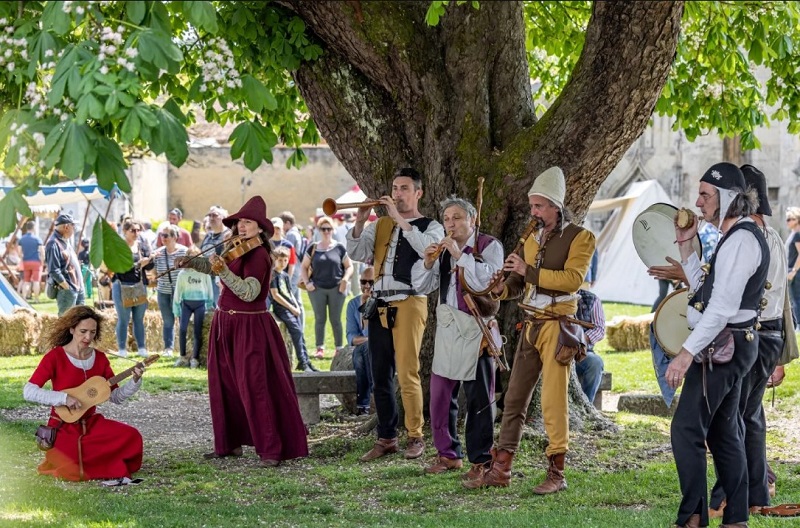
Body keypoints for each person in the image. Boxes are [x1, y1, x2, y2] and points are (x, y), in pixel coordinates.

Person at [466, 166, 596, 494]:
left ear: (555, 206)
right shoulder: (531, 237)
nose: (533, 212)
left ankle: (557, 472)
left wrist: (527, 271)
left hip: (558, 326)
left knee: (553, 400)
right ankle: (501, 468)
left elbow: (572, 280)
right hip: (531, 324)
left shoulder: (581, 237)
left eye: (539, 206)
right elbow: (519, 282)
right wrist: (501, 288)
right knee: (514, 399)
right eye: (532, 206)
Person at [665, 162, 768, 528]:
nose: (698, 202)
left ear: (727, 199)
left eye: (706, 195)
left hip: (725, 349)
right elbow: (702, 293)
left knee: (686, 429)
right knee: (724, 433)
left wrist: (686, 354)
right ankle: (736, 519)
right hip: (731, 346)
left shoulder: (740, 239)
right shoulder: (732, 237)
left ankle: (692, 517)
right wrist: (686, 244)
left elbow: (722, 308)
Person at [176, 196, 308, 466]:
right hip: (225, 323)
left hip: (249, 326)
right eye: (240, 222)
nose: (243, 226)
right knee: (223, 384)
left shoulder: (259, 255)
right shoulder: (235, 247)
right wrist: (191, 262)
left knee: (255, 387)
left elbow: (249, 292)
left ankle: (271, 449)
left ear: (260, 228)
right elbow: (216, 270)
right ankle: (229, 443)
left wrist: (223, 271)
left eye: (249, 222)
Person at [347, 167, 444, 462]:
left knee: (407, 371)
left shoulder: (431, 226)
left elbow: (427, 249)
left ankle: (415, 435)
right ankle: (386, 437)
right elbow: (357, 253)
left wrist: (400, 219)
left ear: (418, 193)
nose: (398, 193)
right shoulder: (381, 226)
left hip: (410, 301)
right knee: (380, 373)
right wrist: (360, 221)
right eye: (395, 187)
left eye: (403, 188)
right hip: (379, 303)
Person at [707, 164, 788, 517]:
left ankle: (725, 494)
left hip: (755, 332)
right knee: (749, 416)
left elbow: (754, 297)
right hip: (767, 334)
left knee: (733, 416)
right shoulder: (768, 236)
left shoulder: (754, 238)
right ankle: (757, 493)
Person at [411, 196, 503, 480]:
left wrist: (460, 255)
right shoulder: (443, 250)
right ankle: (448, 454)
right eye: (447, 219)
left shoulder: (490, 246)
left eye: (457, 218)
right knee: (439, 395)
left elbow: (486, 283)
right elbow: (422, 286)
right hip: (449, 328)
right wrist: (427, 263)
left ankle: (482, 460)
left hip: (476, 328)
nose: (451, 223)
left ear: (472, 220)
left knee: (478, 398)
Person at [23, 306, 145, 481]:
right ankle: (102, 464)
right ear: (72, 329)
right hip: (63, 426)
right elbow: (29, 391)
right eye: (83, 331)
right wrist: (63, 398)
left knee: (131, 436)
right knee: (71, 463)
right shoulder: (55, 357)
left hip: (91, 424)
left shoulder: (100, 359)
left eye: (92, 332)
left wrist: (135, 381)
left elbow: (116, 397)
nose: (88, 337)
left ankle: (100, 462)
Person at [301, 215, 354, 359]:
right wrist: (307, 283)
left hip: (337, 289)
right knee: (320, 318)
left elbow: (349, 267)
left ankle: (339, 348)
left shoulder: (339, 248)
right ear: (319, 230)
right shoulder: (313, 247)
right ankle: (320, 348)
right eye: (323, 229)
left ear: (333, 229)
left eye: (329, 228)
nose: (326, 231)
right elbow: (304, 267)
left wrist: (345, 280)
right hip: (317, 289)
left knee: (336, 319)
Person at [269, 245, 317, 372]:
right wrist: (291, 307)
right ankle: (302, 361)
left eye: (285, 260)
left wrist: (296, 306)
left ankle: (306, 361)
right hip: (282, 308)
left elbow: (290, 293)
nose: (283, 263)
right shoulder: (272, 275)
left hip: (291, 307)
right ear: (274, 259)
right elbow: (275, 295)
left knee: (300, 332)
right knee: (296, 331)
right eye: (280, 260)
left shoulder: (285, 275)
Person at [111, 220, 154, 358]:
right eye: (133, 230)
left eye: (138, 230)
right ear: (125, 231)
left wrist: (151, 259)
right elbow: (119, 267)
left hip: (139, 286)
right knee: (123, 318)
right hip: (121, 285)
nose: (136, 233)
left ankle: (141, 347)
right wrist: (137, 264)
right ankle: (122, 348)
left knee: (139, 318)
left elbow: (149, 267)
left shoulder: (142, 246)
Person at [172, 247, 214, 368]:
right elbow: (178, 291)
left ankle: (194, 358)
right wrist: (176, 307)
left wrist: (210, 303)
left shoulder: (204, 273)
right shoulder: (182, 274)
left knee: (197, 331)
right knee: (183, 329)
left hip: (200, 304)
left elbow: (209, 288)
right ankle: (182, 356)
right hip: (186, 304)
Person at [153, 224, 188, 357]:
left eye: (166, 235)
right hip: (163, 291)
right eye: (162, 235)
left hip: (181, 292)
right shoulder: (159, 253)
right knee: (168, 321)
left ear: (175, 237)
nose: (163, 238)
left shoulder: (184, 252)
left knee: (183, 320)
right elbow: (154, 271)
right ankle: (168, 348)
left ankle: (183, 349)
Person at [345, 266, 375, 415]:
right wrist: (364, 306)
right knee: (362, 350)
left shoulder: (384, 301)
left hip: (385, 349)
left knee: (361, 352)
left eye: (371, 282)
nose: (367, 286)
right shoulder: (352, 305)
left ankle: (363, 404)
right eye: (364, 282)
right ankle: (373, 395)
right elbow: (352, 337)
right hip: (367, 348)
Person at [45, 213, 85, 315]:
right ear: (66, 227)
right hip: (67, 291)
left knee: (79, 324)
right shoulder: (53, 243)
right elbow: (54, 270)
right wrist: (67, 287)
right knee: (65, 324)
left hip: (75, 288)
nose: (74, 228)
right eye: (73, 225)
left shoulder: (64, 240)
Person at [574, 288, 606, 403]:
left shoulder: (591, 299)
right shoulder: (551, 295)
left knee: (595, 362)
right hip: (553, 351)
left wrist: (580, 340)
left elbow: (599, 329)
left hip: (582, 352)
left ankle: (586, 405)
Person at [200, 205, 231, 306]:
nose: (211, 218)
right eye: (209, 215)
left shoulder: (228, 235)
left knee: (220, 307)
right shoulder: (208, 235)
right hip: (206, 278)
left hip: (220, 280)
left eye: (215, 215)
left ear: (223, 218)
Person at [18, 220, 44, 303]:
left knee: (26, 281)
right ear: (33, 228)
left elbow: (19, 252)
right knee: (36, 281)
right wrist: (42, 261)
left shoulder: (22, 239)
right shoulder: (37, 239)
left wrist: (22, 258)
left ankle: (24, 298)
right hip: (36, 261)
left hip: (26, 261)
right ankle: (36, 299)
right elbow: (42, 251)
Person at [785, 206, 800, 331]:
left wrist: (794, 271)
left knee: (796, 298)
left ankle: (798, 325)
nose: (788, 221)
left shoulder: (798, 234)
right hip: (792, 270)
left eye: (791, 219)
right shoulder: (794, 233)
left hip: (796, 271)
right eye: (787, 219)